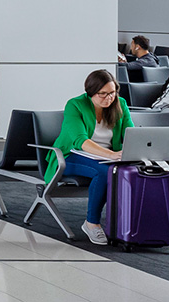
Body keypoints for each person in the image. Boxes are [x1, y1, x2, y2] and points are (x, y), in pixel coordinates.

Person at [50, 68, 135, 248]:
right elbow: (81, 141)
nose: (108, 98)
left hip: (108, 156)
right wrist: (111, 155)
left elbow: (130, 133)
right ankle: (91, 223)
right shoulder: (75, 105)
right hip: (71, 156)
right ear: (90, 94)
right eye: (102, 94)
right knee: (105, 172)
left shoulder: (120, 104)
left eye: (112, 93)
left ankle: (128, 223)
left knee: (136, 171)